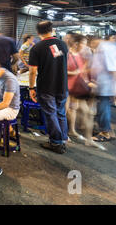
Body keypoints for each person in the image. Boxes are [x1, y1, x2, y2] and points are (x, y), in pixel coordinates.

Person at [28, 21, 69, 154]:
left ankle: (56, 143)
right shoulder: (63, 44)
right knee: (60, 113)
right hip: (62, 85)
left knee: (51, 114)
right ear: (52, 30)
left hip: (46, 86)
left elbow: (33, 71)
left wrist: (31, 88)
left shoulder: (37, 48)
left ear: (38, 32)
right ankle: (62, 139)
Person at [66, 34, 102, 148]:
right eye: (83, 43)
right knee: (66, 111)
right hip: (67, 88)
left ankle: (87, 138)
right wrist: (74, 73)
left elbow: (82, 72)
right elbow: (61, 71)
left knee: (86, 113)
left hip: (77, 88)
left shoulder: (81, 56)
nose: (85, 46)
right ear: (76, 44)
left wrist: (89, 81)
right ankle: (65, 133)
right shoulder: (67, 55)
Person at [90, 36, 116, 142]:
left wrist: (115, 88)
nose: (92, 45)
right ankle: (108, 131)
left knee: (103, 109)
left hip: (106, 85)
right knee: (104, 108)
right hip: (105, 84)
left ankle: (105, 133)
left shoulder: (105, 48)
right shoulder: (112, 48)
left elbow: (115, 70)